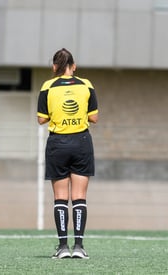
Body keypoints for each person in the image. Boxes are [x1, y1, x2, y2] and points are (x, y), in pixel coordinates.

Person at [37, 48, 99, 259]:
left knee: (60, 198)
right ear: (74, 66)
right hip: (81, 142)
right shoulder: (87, 85)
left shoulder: (47, 86)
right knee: (80, 197)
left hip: (57, 144)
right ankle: (79, 247)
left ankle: (63, 247)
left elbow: (41, 119)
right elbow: (94, 118)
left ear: (55, 67)